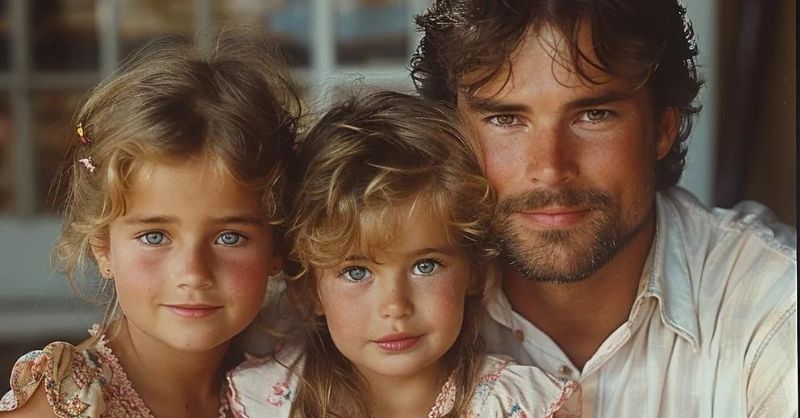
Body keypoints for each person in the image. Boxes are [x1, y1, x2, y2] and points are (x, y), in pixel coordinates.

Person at [410, 1, 797, 417]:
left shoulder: (773, 301)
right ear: (451, 133)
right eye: (506, 119)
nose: (551, 169)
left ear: (663, 128)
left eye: (593, 115)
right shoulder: (392, 301)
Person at [0, 29, 300, 418]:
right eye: (155, 236)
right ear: (103, 246)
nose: (193, 274)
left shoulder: (285, 389)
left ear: (276, 245)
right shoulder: (62, 408)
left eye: (230, 237)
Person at [226, 91, 579, 417]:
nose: (395, 306)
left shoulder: (514, 406)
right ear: (307, 289)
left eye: (425, 266)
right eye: (356, 272)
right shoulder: (269, 401)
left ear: (474, 270)